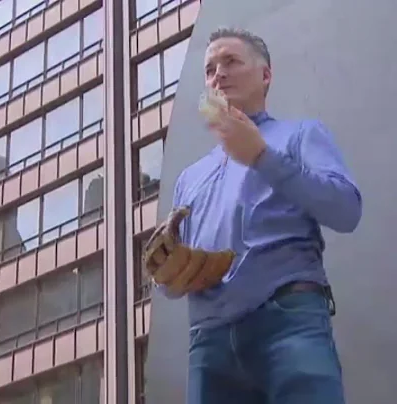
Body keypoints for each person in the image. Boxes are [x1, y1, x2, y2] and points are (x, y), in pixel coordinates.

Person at [153, 27, 363, 404]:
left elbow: (346, 210)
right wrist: (166, 272)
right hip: (208, 341)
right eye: (210, 68)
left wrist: (262, 157)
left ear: (265, 75)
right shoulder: (189, 178)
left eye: (231, 61)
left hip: (288, 322)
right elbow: (172, 285)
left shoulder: (300, 136)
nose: (219, 73)